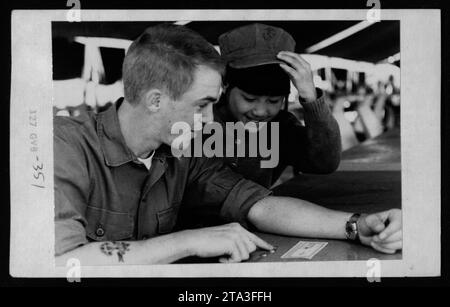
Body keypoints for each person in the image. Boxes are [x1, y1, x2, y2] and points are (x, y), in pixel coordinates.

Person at [54, 24, 402, 265]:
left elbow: (257, 204)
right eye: (202, 104)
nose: (209, 121)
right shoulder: (64, 146)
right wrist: (188, 240)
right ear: (156, 100)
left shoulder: (183, 151)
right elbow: (61, 261)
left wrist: (357, 226)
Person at [212, 23, 342, 188]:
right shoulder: (202, 124)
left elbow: (325, 163)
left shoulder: (281, 127)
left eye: (273, 101)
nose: (260, 112)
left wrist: (312, 100)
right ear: (225, 86)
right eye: (249, 99)